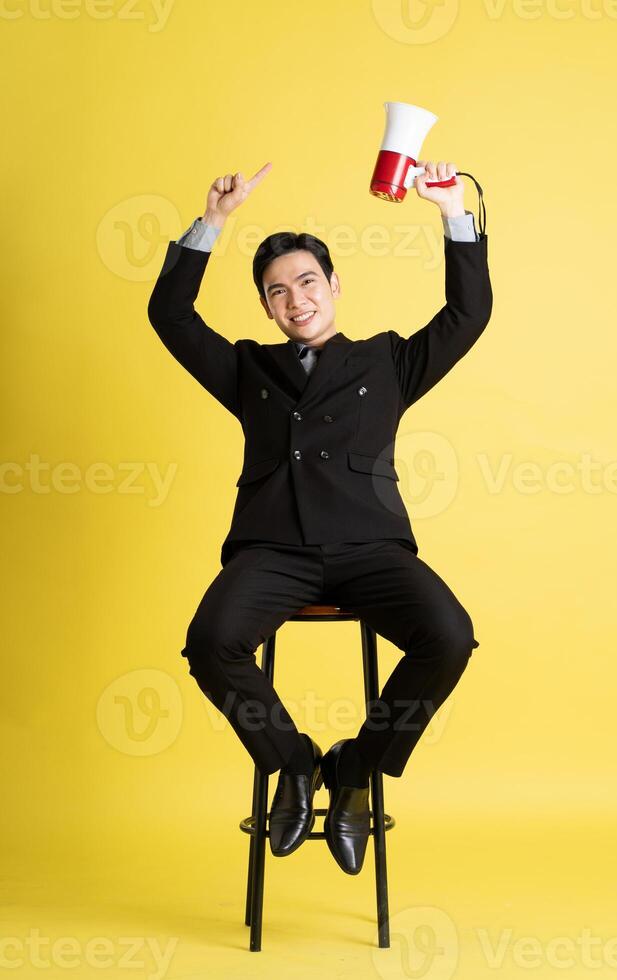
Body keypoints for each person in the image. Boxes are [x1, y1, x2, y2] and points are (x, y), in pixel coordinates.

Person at [147, 160, 492, 875]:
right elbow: (170, 317)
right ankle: (296, 764)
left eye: (307, 282)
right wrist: (212, 222)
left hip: (371, 550)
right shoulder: (249, 370)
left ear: (334, 287)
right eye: (277, 291)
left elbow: (468, 315)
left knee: (450, 637)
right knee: (211, 642)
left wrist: (452, 211)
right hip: (273, 551)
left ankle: (356, 770)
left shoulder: (389, 362)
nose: (295, 299)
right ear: (267, 308)